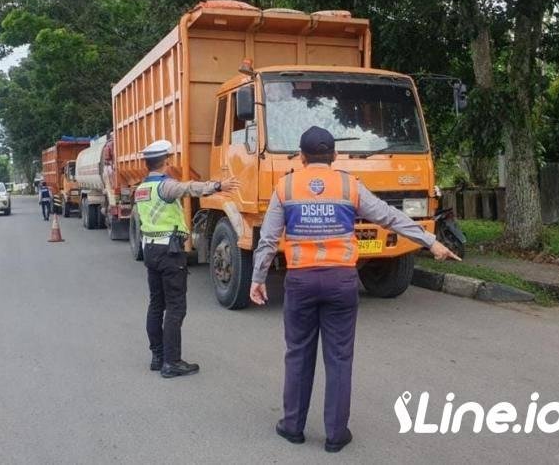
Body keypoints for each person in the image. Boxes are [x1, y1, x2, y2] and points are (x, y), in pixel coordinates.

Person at [249, 126, 460, 453]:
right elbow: (390, 217)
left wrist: (258, 278)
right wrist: (431, 242)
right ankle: (335, 435)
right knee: (339, 358)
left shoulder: (285, 187)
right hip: (341, 282)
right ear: (334, 156)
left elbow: (268, 238)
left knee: (298, 355)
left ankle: (292, 427)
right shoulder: (350, 185)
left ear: (302, 157)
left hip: (301, 282)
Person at [135, 139, 240, 378]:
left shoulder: (141, 188)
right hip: (169, 252)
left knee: (156, 305)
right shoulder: (165, 186)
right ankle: (172, 362)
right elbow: (188, 188)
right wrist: (218, 185)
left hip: (150, 250)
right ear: (166, 162)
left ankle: (158, 357)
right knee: (175, 307)